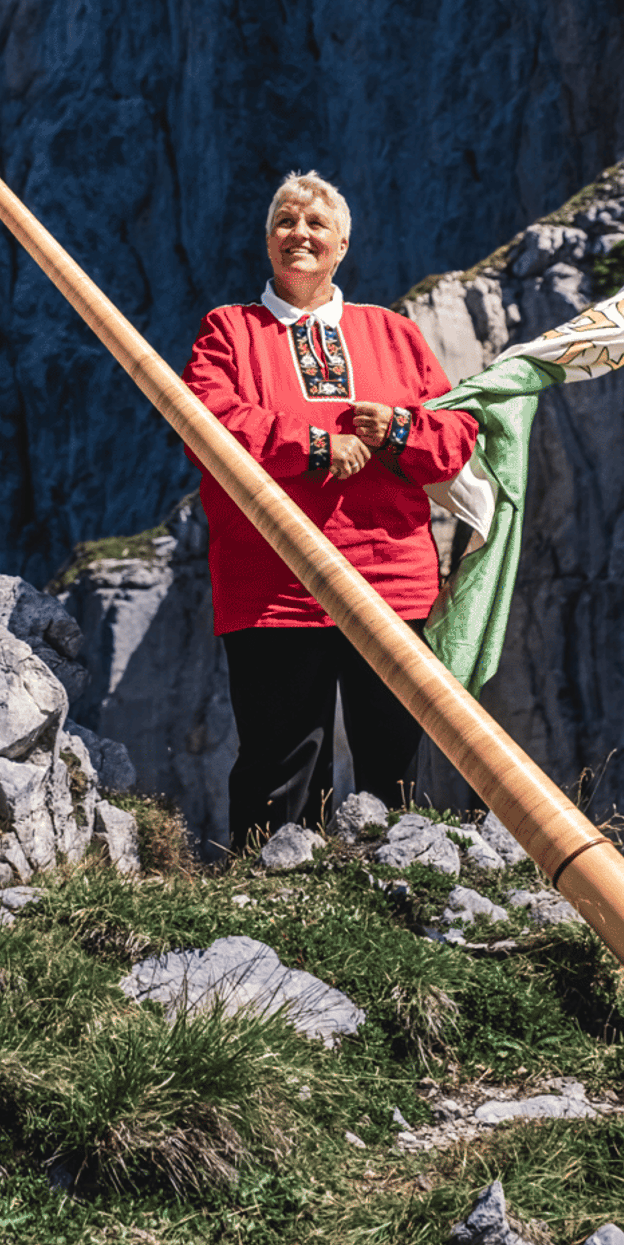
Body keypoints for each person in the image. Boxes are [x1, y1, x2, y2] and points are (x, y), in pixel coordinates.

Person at [182, 171, 479, 850]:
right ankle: (274, 902)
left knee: (393, 758)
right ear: (267, 242)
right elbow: (210, 422)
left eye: (317, 224)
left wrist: (398, 430)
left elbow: (458, 438)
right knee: (280, 761)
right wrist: (316, 446)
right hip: (277, 582)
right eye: (286, 221)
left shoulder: (395, 335)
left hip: (390, 578)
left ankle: (400, 898)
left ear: (342, 243)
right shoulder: (230, 332)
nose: (301, 234)